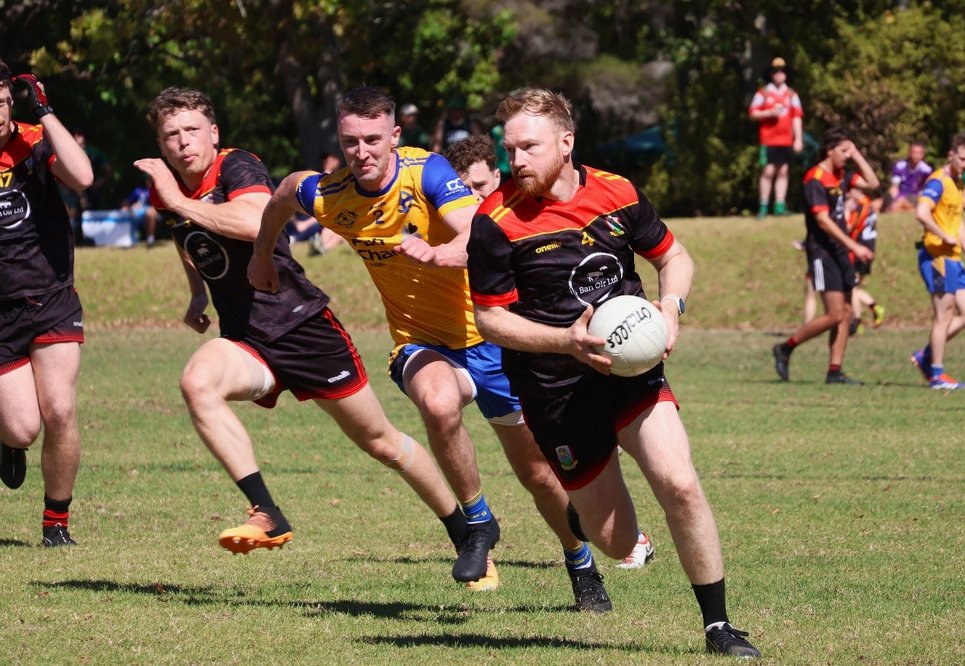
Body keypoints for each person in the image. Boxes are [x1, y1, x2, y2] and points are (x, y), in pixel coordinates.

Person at [251, 86, 620, 607]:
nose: (362, 152)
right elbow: (285, 192)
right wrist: (262, 256)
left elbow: (476, 230)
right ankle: (478, 522)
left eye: (373, 139)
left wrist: (445, 252)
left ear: (395, 136)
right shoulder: (330, 194)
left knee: (539, 474)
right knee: (438, 401)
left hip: (495, 339)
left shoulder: (427, 173)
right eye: (351, 141)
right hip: (422, 342)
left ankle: (580, 563)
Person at [466, 87, 761, 658]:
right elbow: (490, 320)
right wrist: (566, 342)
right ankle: (588, 513)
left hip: (631, 370)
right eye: (510, 149)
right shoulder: (494, 222)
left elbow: (674, 257)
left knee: (679, 483)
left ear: (566, 143)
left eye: (529, 147)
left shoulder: (616, 192)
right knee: (616, 540)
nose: (516, 161)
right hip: (554, 390)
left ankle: (719, 626)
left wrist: (670, 308)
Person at [134, 87, 468, 572]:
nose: (183, 142)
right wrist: (196, 293)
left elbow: (253, 220)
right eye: (171, 134)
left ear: (214, 133)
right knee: (197, 382)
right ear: (161, 144)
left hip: (303, 327)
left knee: (381, 442)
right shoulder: (168, 188)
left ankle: (464, 530)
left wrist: (177, 203)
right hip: (245, 337)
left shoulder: (235, 167)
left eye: (192, 130)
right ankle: (267, 512)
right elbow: (186, 238)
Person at [445, 133, 657, 570]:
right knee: (538, 473)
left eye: (479, 186)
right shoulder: (472, 223)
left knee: (570, 463)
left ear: (497, 178)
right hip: (495, 355)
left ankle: (613, 532)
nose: (471, 197)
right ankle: (574, 524)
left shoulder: (508, 218)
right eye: (461, 190)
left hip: (535, 356)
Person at [0, 62, 94, 546]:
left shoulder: (35, 139)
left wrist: (46, 111)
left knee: (59, 409)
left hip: (50, 298)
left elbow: (82, 177)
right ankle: (7, 440)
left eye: (1, 103)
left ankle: (56, 523)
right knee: (22, 430)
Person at [771, 127, 879, 385]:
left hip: (841, 251)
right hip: (823, 252)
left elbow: (873, 184)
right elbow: (823, 221)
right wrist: (854, 246)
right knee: (834, 314)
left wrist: (857, 154)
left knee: (846, 312)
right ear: (829, 151)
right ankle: (785, 347)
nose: (848, 156)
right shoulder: (815, 178)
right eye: (844, 151)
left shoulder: (843, 175)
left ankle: (835, 371)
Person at [910, 133, 965, 390]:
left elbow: (957, 221)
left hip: (954, 257)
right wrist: (943, 235)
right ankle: (937, 375)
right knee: (944, 314)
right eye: (962, 159)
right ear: (951, 155)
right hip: (937, 256)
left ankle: (925, 355)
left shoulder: (958, 183)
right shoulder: (938, 181)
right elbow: (921, 213)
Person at [748, 57, 803, 218]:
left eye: (782, 71)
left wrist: (798, 138)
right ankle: (763, 206)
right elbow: (752, 113)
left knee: (783, 171)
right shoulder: (763, 93)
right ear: (771, 74)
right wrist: (768, 113)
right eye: (776, 71)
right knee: (768, 171)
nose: (779, 74)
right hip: (768, 139)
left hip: (786, 140)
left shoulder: (791, 94)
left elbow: (797, 117)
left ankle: (780, 206)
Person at [844, 188, 885, 335]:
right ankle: (871, 311)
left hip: (859, 251)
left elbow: (849, 227)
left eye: (850, 191)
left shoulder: (861, 206)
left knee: (852, 288)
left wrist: (846, 211)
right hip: (867, 249)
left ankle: (859, 320)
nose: (848, 194)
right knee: (854, 287)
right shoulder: (870, 205)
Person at [882, 141, 932, 212]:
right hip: (900, 196)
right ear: (909, 153)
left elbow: (926, 191)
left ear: (922, 155)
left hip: (914, 197)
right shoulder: (900, 166)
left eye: (919, 153)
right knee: (876, 204)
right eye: (914, 152)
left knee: (900, 203)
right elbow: (894, 187)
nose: (916, 155)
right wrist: (889, 199)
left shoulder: (927, 171)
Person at [121, 177, 162, 248]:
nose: (149, 182)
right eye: (149, 180)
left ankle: (150, 239)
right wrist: (129, 208)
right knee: (124, 211)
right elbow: (125, 202)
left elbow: (158, 205)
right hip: (135, 212)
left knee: (149, 213)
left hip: (150, 211)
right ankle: (129, 239)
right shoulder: (138, 191)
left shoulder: (156, 191)